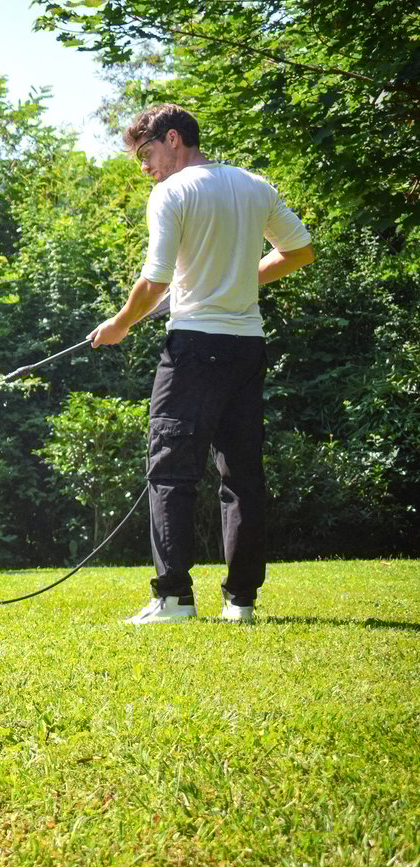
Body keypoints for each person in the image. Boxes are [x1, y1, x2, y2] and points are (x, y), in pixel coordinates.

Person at [88, 104, 315, 625]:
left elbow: (154, 281)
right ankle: (241, 602)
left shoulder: (172, 192)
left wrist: (120, 324)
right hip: (247, 348)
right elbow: (299, 251)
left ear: (173, 140)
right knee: (242, 477)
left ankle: (172, 599)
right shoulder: (255, 185)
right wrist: (230, 286)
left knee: (170, 472)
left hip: (194, 346)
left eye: (146, 154)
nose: (145, 168)